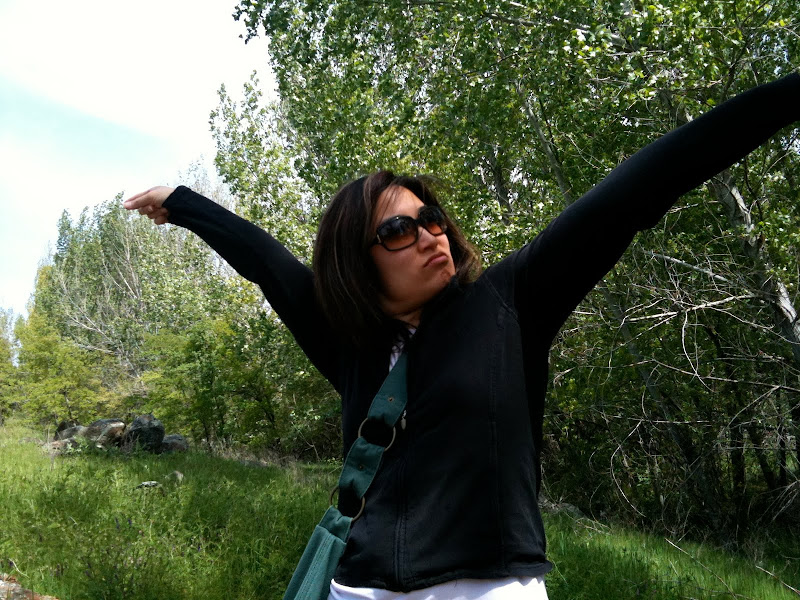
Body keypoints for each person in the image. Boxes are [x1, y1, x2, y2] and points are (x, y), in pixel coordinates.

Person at [125, 71, 800, 600]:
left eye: (433, 219)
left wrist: (786, 96)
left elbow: (638, 190)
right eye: (399, 230)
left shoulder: (510, 304)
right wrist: (183, 203)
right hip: (358, 587)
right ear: (357, 263)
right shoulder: (350, 342)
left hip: (489, 588)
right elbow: (268, 263)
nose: (431, 236)